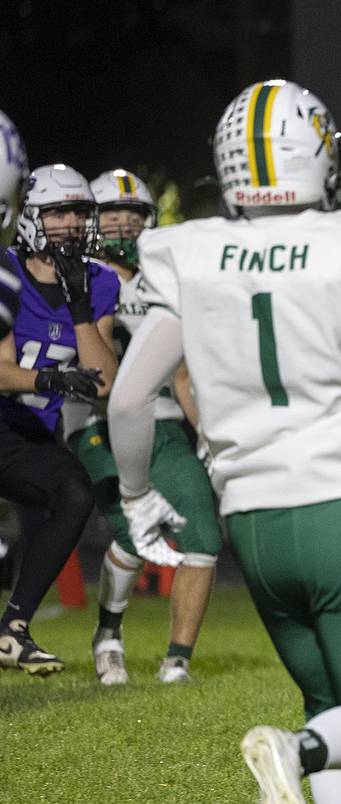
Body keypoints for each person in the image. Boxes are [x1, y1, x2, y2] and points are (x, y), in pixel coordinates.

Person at [106, 79, 341, 804]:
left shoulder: (190, 251)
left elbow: (129, 398)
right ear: (319, 153)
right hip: (340, 506)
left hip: (252, 523)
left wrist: (138, 496)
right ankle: (296, 753)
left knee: (334, 706)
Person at [61, 169, 221, 685]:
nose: (126, 226)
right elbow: (104, 380)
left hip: (166, 424)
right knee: (134, 532)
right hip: (98, 422)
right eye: (113, 215)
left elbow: (181, 373)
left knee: (202, 534)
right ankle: (109, 633)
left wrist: (210, 437)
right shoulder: (81, 274)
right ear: (92, 220)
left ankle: (176, 663)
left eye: (136, 217)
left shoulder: (163, 278)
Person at [0, 162, 117, 677]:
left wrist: (80, 308)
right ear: (30, 217)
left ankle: (13, 628)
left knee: (75, 492)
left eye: (78, 211)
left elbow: (104, 381)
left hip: (26, 437)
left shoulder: (97, 283)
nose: (71, 222)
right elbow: (2, 370)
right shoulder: (5, 273)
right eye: (58, 211)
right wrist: (49, 381)